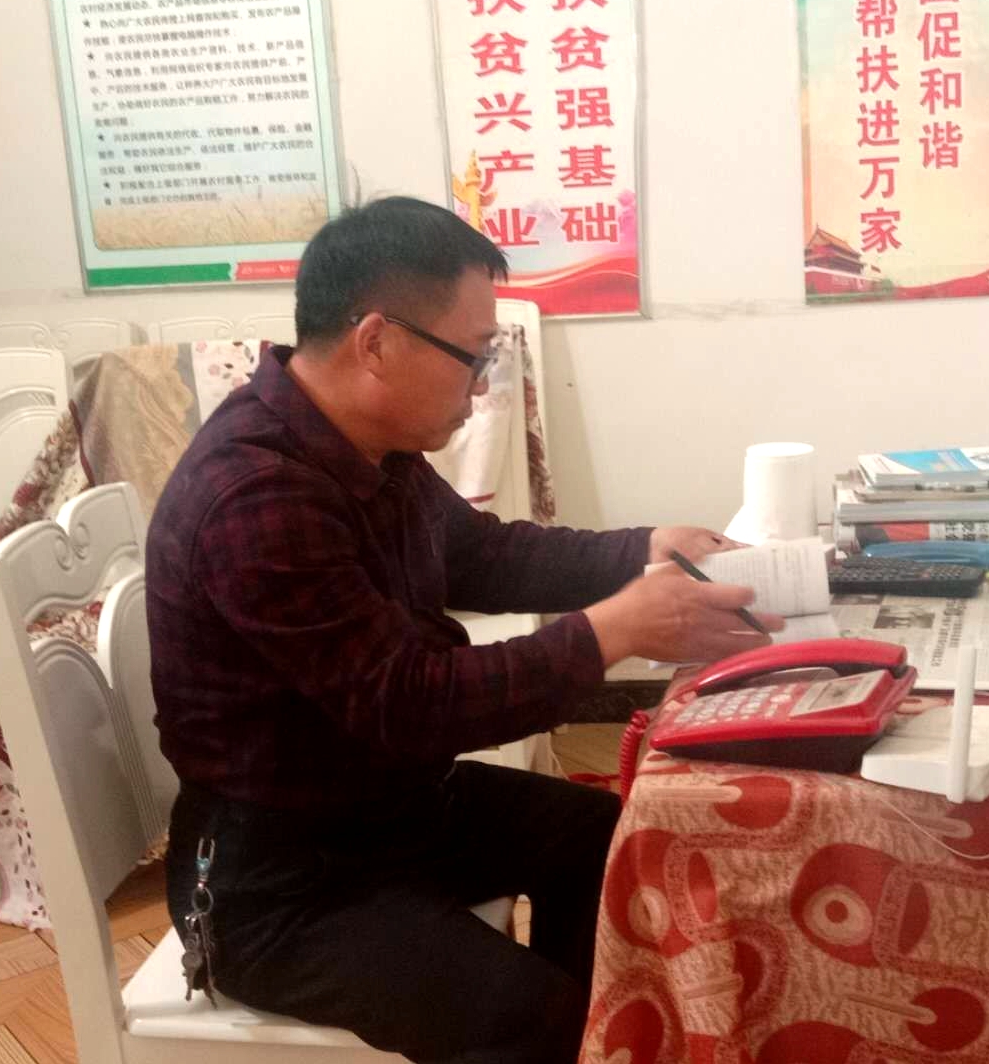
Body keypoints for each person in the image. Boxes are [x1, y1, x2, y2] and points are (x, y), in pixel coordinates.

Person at [145, 196, 781, 1064]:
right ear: (377, 341)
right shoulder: (255, 496)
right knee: (532, 1017)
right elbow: (412, 703)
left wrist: (644, 548)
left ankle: (583, 1035)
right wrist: (615, 630)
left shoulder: (366, 446)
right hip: (281, 885)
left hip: (390, 812)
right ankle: (561, 1033)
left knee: (608, 842)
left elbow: (484, 554)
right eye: (473, 355)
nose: (481, 383)